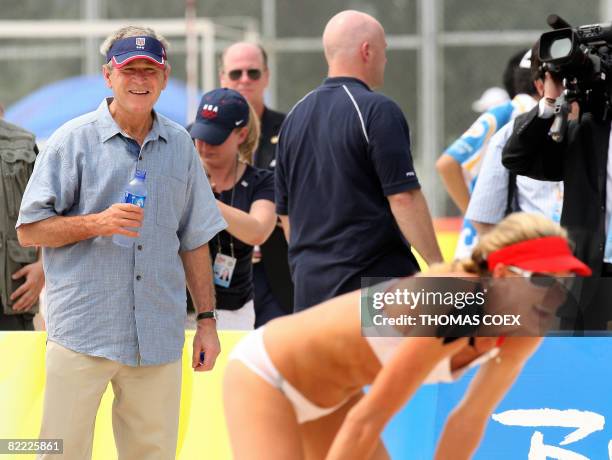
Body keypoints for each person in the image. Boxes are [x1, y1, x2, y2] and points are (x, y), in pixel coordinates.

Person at [16, 26, 226, 459]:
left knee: (153, 454)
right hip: (82, 333)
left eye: (150, 69)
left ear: (165, 78)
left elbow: (196, 238)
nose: (140, 79)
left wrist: (206, 320)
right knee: (58, 453)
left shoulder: (182, 145)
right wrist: (97, 223)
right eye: (129, 69)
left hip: (157, 335)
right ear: (107, 75)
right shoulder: (69, 141)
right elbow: (30, 229)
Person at [223, 212, 591, 459]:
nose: (557, 296)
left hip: (333, 400)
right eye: (544, 280)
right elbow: (369, 418)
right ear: (502, 276)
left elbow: (468, 420)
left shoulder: (524, 328)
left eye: (565, 282)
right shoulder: (452, 300)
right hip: (267, 376)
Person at [275, 10, 442, 312]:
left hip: (310, 294)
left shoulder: (293, 118)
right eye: (383, 51)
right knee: (395, 361)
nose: (385, 61)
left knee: (329, 362)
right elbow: (403, 197)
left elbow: (286, 217)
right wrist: (440, 267)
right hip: (374, 290)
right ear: (367, 51)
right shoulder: (377, 111)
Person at [502, 48, 612, 330]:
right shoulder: (584, 130)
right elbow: (517, 157)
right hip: (593, 275)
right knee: (585, 370)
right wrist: (550, 102)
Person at [219, 41, 293, 326]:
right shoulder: (200, 138)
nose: (245, 80)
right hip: (224, 274)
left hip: (278, 275)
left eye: (253, 72)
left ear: (267, 76)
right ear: (222, 77)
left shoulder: (291, 129)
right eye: (236, 73)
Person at [190, 88, 276, 330]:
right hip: (180, 307)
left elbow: (258, 230)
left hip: (234, 311)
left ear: (241, 134)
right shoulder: (182, 171)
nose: (204, 146)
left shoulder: (261, 181)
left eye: (215, 138)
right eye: (200, 136)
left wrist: (206, 200)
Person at [436, 48, 528, 259]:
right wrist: (477, 218)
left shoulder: (512, 120)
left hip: (489, 241)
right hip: (483, 244)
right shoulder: (506, 114)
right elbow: (447, 164)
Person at [466, 44, 564, 235]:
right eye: (560, 79)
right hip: (534, 256)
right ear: (540, 85)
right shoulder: (509, 124)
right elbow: (448, 162)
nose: (569, 86)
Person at [0, 118, 44, 330]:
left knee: (14, 364)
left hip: (13, 295)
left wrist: (43, 267)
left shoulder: (23, 143)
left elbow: (51, 210)